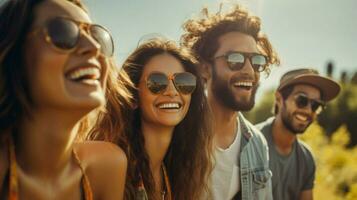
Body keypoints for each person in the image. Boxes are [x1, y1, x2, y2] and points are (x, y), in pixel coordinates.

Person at [0, 0, 127, 199]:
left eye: (96, 36)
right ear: (15, 53)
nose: (93, 47)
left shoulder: (108, 167)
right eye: (63, 32)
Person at [87, 38, 213, 200]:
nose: (172, 91)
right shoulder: (107, 163)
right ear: (133, 97)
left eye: (183, 82)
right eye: (157, 82)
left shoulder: (177, 173)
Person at [181, 4, 280, 200]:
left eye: (257, 61)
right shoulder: (179, 133)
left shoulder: (257, 144)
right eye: (235, 59)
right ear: (205, 69)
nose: (250, 71)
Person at [255, 68, 341, 200]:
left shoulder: (306, 159)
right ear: (279, 98)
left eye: (316, 106)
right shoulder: (249, 143)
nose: (308, 110)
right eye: (302, 100)